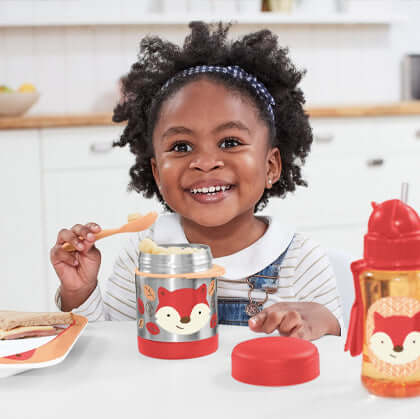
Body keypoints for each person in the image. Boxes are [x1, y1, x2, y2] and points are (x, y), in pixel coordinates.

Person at [50, 22, 343, 340]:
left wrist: (322, 323)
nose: (204, 163)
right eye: (181, 147)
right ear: (158, 174)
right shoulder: (143, 253)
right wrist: (79, 291)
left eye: (230, 142)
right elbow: (111, 347)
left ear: (271, 166)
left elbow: (337, 357)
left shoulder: (301, 261)